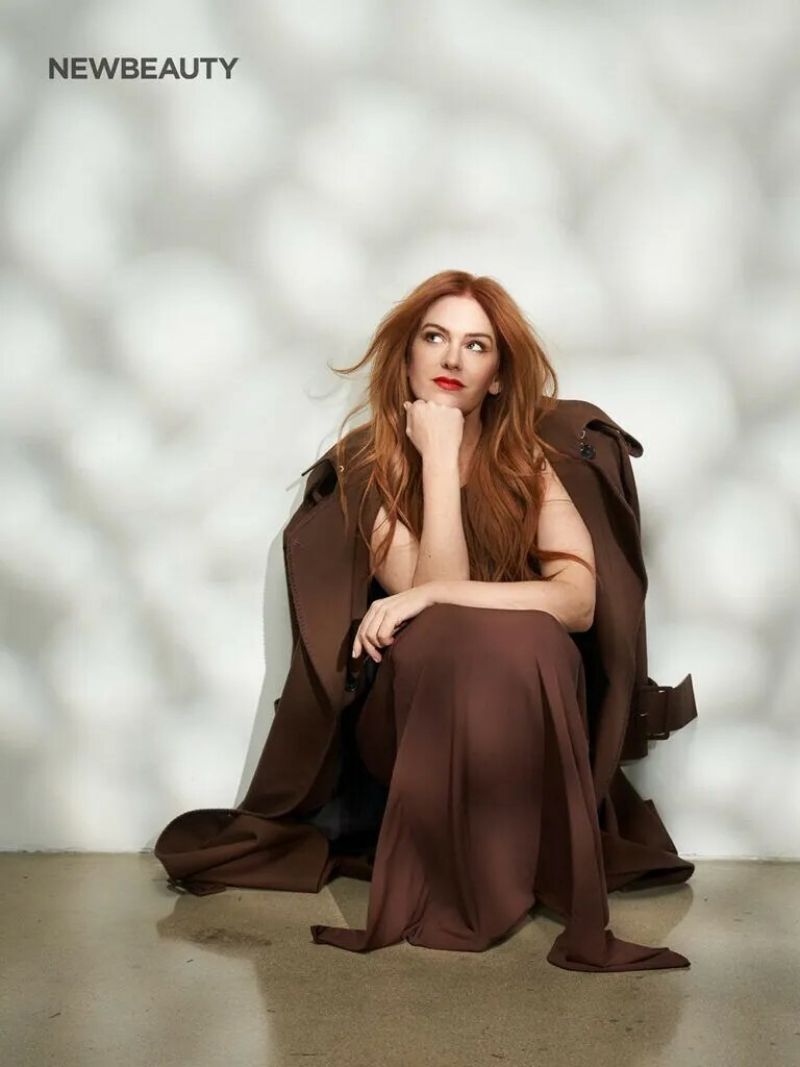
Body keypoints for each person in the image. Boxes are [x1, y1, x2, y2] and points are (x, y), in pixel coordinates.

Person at [302, 269, 691, 971]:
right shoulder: (369, 467)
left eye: (476, 345)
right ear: (408, 356)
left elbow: (578, 602)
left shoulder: (526, 462)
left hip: (518, 707)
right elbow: (441, 622)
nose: (452, 358)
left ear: (499, 375)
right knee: (476, 636)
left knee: (534, 638)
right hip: (416, 714)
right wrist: (438, 457)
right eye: (435, 337)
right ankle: (465, 880)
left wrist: (431, 594)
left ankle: (509, 868)